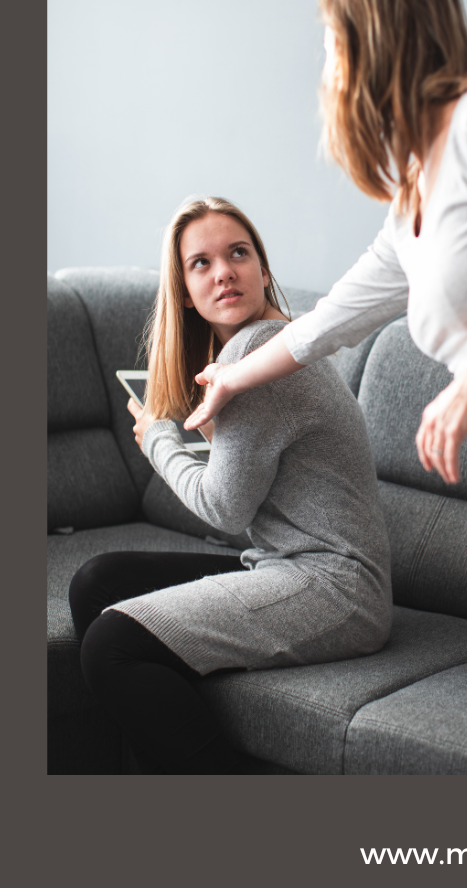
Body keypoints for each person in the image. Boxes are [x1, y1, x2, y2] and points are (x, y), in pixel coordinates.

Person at [183, 0, 467, 770]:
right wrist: (230, 377)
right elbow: (324, 324)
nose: (327, 70)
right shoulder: (415, 193)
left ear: (374, 39)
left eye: (332, 45)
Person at [70, 196, 392, 774]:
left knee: (111, 644)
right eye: (201, 263)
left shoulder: (257, 352)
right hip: (281, 565)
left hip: (336, 590)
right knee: (98, 581)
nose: (223, 271)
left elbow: (222, 507)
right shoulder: (249, 354)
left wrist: (158, 442)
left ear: (263, 270)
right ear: (185, 290)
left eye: (238, 253)